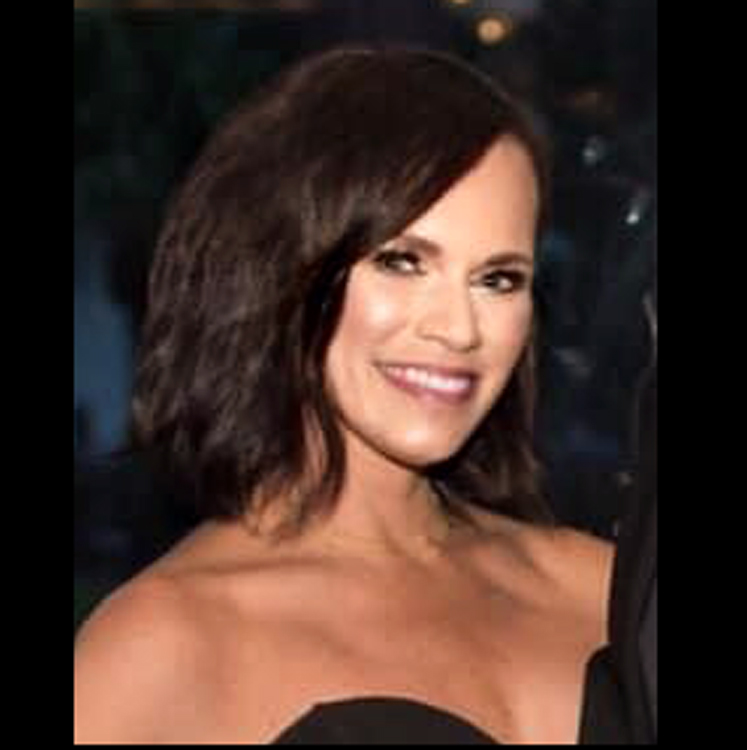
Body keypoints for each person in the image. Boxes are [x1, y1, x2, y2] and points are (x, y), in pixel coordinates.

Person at [74, 46, 614, 745]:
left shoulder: (597, 586)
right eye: (402, 262)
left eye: (497, 279)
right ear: (282, 269)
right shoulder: (158, 651)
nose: (459, 329)